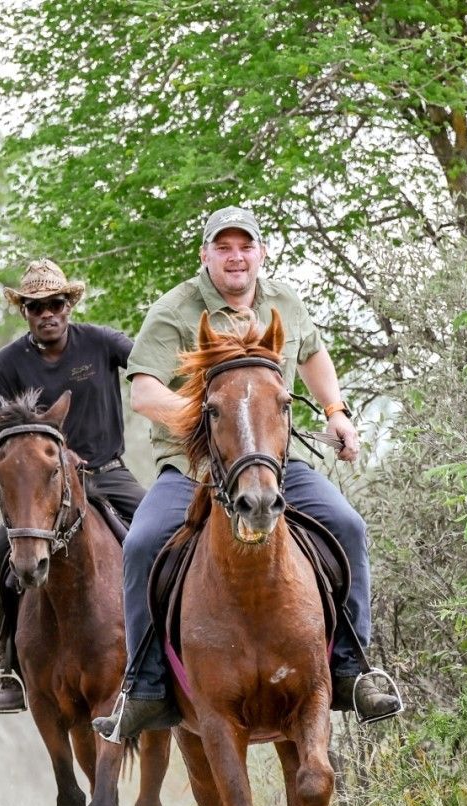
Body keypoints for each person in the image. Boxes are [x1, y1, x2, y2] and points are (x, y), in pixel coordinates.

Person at [95, 206, 402, 743]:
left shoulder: (284, 300)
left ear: (261, 253)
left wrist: (336, 411)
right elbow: (143, 392)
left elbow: (313, 355)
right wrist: (213, 418)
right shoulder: (174, 311)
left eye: (245, 247)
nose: (235, 257)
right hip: (193, 467)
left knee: (348, 526)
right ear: (205, 255)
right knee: (142, 544)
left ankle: (352, 669)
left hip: (275, 464)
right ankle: (144, 686)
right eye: (223, 248)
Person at [0, 259, 147, 713]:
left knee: (167, 537)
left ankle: (174, 652)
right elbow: (6, 437)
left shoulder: (101, 342)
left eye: (55, 303)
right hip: (43, 488)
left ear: (68, 305)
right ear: (25, 312)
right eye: (36, 307)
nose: (47, 313)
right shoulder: (9, 362)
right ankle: (9, 668)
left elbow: (149, 362)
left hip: (107, 473)